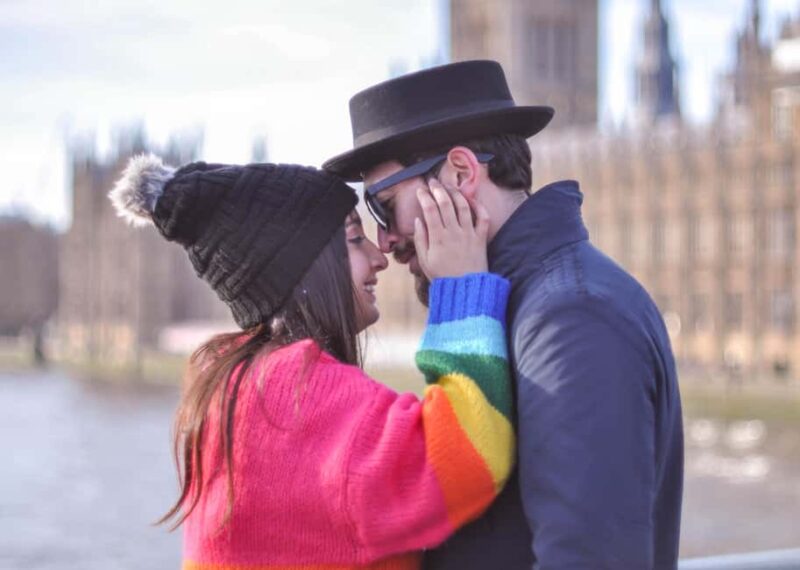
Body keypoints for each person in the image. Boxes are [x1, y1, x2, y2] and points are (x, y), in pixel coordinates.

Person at [323, 60, 684, 569]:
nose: (384, 240)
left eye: (384, 206)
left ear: (462, 173)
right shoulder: (520, 307)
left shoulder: (571, 319)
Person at [108, 154, 515, 569]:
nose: (379, 256)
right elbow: (470, 458)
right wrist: (462, 287)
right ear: (303, 268)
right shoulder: (295, 400)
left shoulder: (237, 390)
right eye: (354, 239)